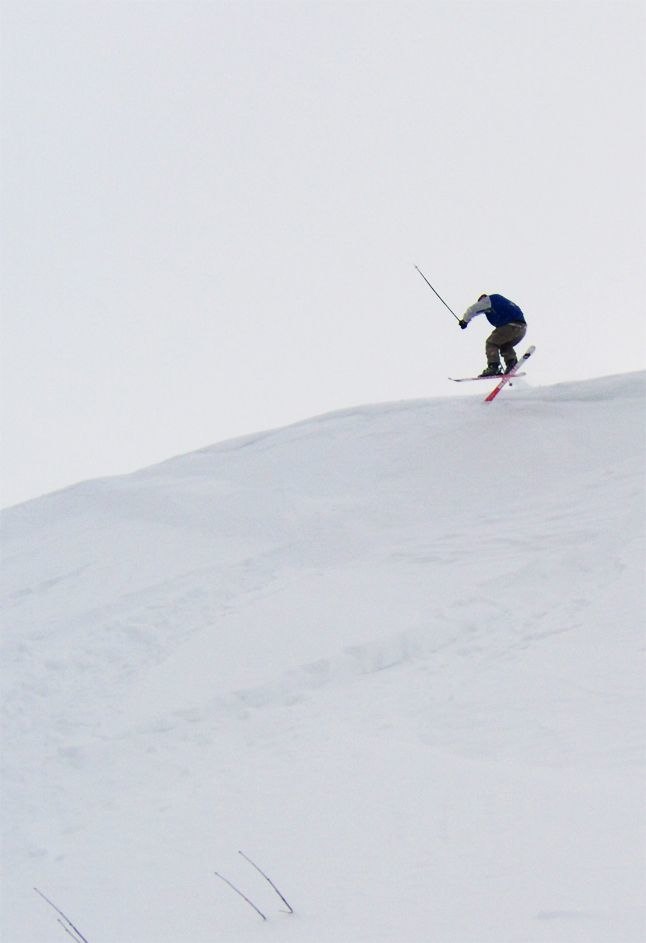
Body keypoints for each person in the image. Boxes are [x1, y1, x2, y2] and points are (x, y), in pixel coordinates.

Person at [458, 294, 527, 376]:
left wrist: (465, 321)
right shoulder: (500, 301)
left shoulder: (488, 300)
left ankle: (493, 367)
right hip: (522, 328)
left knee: (491, 343)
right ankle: (511, 362)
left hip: (511, 326)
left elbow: (472, 309)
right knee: (504, 344)